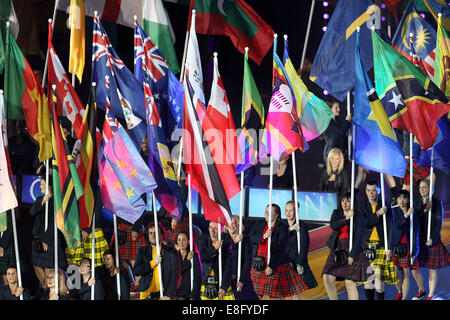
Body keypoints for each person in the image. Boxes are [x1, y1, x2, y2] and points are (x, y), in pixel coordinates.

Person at [249, 204, 307, 300]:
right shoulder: (259, 223)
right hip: (258, 263)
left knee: (275, 296)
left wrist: (272, 266)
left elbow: (281, 249)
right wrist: (263, 237)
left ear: (277, 214)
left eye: (270, 212)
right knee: (255, 295)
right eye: (266, 212)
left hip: (274, 262)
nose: (267, 215)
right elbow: (250, 238)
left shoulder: (282, 227)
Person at [322, 193, 369, 300]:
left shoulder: (358, 216)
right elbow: (333, 225)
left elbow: (358, 239)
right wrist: (346, 218)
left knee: (350, 282)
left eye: (348, 200)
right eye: (343, 200)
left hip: (352, 250)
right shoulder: (337, 213)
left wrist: (352, 255)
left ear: (353, 202)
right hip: (337, 250)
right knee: (327, 278)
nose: (344, 203)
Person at [360, 180, 398, 300]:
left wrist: (389, 248)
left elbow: (391, 228)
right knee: (368, 281)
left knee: (378, 279)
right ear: (365, 192)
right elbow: (364, 224)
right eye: (369, 190)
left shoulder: (385, 205)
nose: (371, 193)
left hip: (381, 246)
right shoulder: (361, 206)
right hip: (366, 247)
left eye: (374, 190)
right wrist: (377, 214)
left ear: (379, 191)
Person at [413, 179, 450, 300]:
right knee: (414, 267)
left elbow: (438, 223)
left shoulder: (436, 202)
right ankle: (422, 290)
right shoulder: (416, 202)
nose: (421, 190)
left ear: (430, 189)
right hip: (419, 240)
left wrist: (433, 239)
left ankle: (430, 294)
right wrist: (424, 210)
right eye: (420, 188)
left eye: (424, 187)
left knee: (431, 269)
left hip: (431, 240)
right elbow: (415, 220)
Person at [29, 175, 68, 287]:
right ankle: (46, 289)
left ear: (50, 186)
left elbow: (54, 223)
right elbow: (31, 212)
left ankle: (51, 290)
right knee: (36, 266)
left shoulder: (56, 201)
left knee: (48, 269)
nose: (41, 186)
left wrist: (46, 240)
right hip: (37, 236)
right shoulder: (39, 199)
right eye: (41, 184)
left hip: (50, 238)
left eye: (43, 184)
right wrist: (42, 202)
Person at [133, 222, 180, 300]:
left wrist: (169, 295)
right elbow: (136, 271)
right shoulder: (142, 251)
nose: (153, 235)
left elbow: (175, 274)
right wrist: (153, 263)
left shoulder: (170, 252)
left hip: (164, 295)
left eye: (156, 233)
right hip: (146, 294)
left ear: (161, 235)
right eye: (150, 233)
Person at [391, 190, 424, 300]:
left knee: (406, 273)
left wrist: (415, 250)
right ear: (397, 200)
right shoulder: (394, 212)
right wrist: (406, 215)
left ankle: (404, 298)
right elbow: (397, 226)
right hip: (395, 245)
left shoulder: (413, 214)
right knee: (394, 273)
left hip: (407, 247)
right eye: (399, 198)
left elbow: (415, 233)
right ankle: (399, 291)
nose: (402, 200)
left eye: (404, 198)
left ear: (408, 199)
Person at [65, 193, 110, 268]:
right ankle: (78, 280)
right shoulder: (75, 184)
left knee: (95, 266)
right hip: (76, 230)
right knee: (74, 266)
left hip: (92, 231)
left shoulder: (96, 185)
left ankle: (93, 280)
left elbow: (97, 209)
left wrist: (87, 229)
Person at [283, 201, 318, 292]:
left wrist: (300, 263)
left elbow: (304, 246)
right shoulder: (282, 225)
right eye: (286, 210)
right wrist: (291, 229)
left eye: (291, 210)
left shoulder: (301, 225)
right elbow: (278, 237)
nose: (288, 213)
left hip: (296, 262)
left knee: (296, 291)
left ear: (296, 211)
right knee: (281, 291)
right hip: (283, 263)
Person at [223, 215, 258, 300]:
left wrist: (242, 280)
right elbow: (225, 254)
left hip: (241, 278)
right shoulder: (222, 239)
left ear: (239, 225)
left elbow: (247, 262)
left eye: (235, 223)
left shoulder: (245, 240)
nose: (232, 225)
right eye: (229, 223)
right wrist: (234, 242)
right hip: (226, 279)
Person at [198, 221, 234, 300]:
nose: (212, 230)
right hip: (205, 282)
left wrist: (224, 287)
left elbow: (228, 268)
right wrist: (214, 248)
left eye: (215, 228)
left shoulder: (226, 244)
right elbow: (203, 258)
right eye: (210, 227)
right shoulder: (202, 242)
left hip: (220, 283)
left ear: (221, 230)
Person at [321, 99, 351, 164]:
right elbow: (340, 132)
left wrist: (348, 152)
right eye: (336, 108)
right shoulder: (327, 121)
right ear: (329, 109)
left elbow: (343, 137)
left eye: (339, 107)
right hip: (332, 153)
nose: (339, 109)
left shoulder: (338, 121)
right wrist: (347, 121)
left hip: (340, 153)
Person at [175, 231, 202, 300]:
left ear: (188, 241)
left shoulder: (194, 256)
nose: (181, 242)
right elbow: (176, 272)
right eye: (179, 240)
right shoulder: (174, 256)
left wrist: (193, 296)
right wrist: (187, 260)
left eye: (184, 240)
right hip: (176, 295)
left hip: (190, 295)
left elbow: (198, 278)